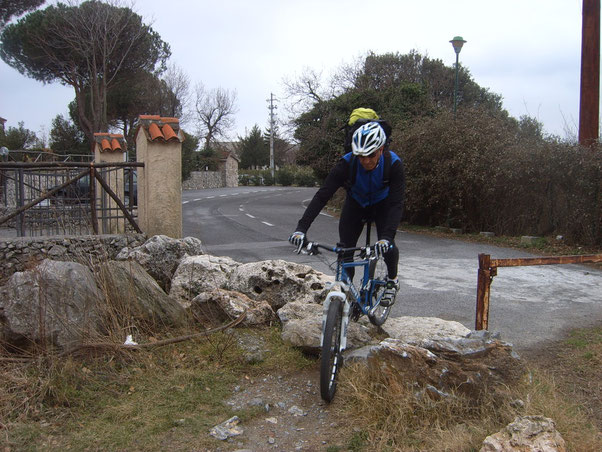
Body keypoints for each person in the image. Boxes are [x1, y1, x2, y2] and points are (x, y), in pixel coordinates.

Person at [289, 117, 405, 306]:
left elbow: (396, 203)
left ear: (381, 149)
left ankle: (392, 281)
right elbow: (321, 196)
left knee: (388, 244)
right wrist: (301, 229)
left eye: (371, 155)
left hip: (383, 204)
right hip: (356, 203)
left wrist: (386, 237)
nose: (366, 161)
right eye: (361, 156)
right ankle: (347, 296)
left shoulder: (393, 164)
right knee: (345, 251)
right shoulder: (346, 164)